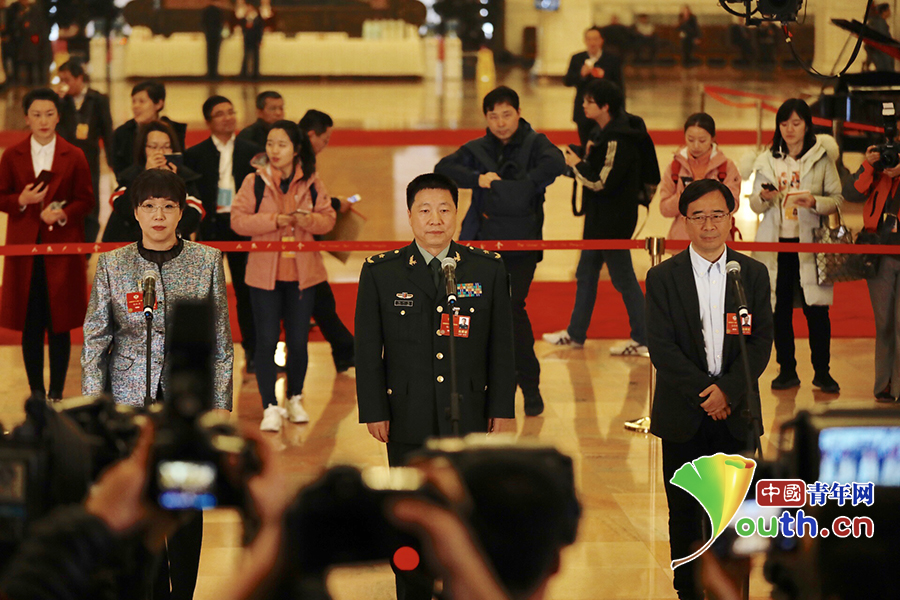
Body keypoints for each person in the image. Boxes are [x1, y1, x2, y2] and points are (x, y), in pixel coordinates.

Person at [355, 172, 516, 600]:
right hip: (407, 416)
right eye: (425, 210)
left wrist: (502, 408)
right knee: (410, 520)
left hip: (469, 414)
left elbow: (502, 346)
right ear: (409, 216)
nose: (435, 219)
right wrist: (374, 409)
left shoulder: (486, 268)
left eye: (445, 209)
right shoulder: (382, 272)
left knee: (466, 518)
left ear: (457, 214)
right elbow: (368, 349)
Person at [81, 168, 232, 600]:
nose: (159, 216)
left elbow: (221, 341)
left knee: (185, 506)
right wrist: (95, 410)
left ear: (182, 212)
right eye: (149, 206)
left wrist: (220, 405)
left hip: (187, 403)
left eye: (168, 206)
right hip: (129, 405)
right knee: (139, 506)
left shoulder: (206, 261)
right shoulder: (114, 264)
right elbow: (95, 342)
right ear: (136, 213)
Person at [646, 179, 773, 600]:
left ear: (730, 219)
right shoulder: (663, 277)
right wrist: (707, 393)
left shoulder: (751, 274)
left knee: (735, 518)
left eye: (717, 215)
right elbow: (662, 348)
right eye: (698, 216)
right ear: (684, 221)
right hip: (683, 416)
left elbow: (760, 344)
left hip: (737, 415)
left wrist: (728, 393)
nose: (708, 225)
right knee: (684, 515)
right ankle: (688, 592)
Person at [435, 86, 566, 416]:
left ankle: (529, 386)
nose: (501, 122)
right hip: (480, 246)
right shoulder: (477, 149)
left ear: (519, 113)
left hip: (522, 246)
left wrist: (521, 185)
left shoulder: (536, 144)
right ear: (486, 118)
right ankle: (481, 390)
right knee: (477, 314)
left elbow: (555, 163)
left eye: (507, 115)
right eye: (493, 116)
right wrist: (478, 179)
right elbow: (444, 168)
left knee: (511, 310)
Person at [231, 120, 336, 432]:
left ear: (296, 149)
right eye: (270, 143)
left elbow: (328, 220)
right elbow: (238, 221)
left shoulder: (312, 181)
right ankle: (269, 405)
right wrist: (274, 220)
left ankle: (294, 398)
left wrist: (308, 220)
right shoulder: (255, 181)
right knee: (265, 341)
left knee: (298, 341)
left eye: (282, 144)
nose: (274, 150)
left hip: (303, 275)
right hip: (264, 275)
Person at [543, 80, 649, 357]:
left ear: (605, 106)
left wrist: (576, 164)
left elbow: (602, 182)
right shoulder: (599, 132)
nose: (583, 105)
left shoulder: (618, 139)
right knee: (586, 273)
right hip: (598, 217)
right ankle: (576, 333)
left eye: (589, 101)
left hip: (613, 220)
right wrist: (581, 159)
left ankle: (644, 337)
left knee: (622, 277)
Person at [0, 88, 93, 402]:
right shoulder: (12, 155)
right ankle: (36, 393)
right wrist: (22, 200)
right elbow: (1, 196)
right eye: (36, 115)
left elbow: (86, 200)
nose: (43, 121)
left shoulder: (74, 154)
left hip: (62, 250)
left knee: (59, 322)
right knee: (30, 323)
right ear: (26, 118)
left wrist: (62, 214)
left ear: (58, 117)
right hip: (24, 251)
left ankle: (56, 392)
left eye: (49, 114)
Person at [749, 98, 843, 394]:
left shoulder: (821, 158)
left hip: (811, 244)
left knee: (817, 310)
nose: (789, 129)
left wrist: (814, 201)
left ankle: (823, 372)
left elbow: (837, 199)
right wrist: (764, 197)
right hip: (776, 246)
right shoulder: (768, 159)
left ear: (807, 125)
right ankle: (786, 370)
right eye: (784, 123)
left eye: (796, 123)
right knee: (779, 310)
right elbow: (753, 205)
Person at [184, 95, 260, 374]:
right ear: (208, 121)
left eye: (231, 112)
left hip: (242, 226)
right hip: (210, 226)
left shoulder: (252, 151)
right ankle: (203, 354)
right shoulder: (195, 153)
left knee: (246, 291)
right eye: (220, 113)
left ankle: (253, 352)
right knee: (205, 293)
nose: (228, 118)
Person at [843, 142, 900, 402]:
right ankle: (884, 384)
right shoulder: (878, 169)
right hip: (879, 253)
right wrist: (869, 164)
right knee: (884, 322)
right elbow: (852, 193)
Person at [299, 108, 355, 372]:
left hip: (304, 242)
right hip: (293, 243)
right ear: (311, 135)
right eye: (325, 139)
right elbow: (306, 200)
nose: (326, 145)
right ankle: (345, 350)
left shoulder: (305, 158)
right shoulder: (298, 161)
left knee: (320, 297)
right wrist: (333, 205)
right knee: (319, 298)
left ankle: (345, 350)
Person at [102, 120, 203, 243]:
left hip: (173, 244)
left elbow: (194, 217)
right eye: (153, 147)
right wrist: (145, 175)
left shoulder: (185, 177)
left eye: (166, 147)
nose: (160, 153)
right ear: (143, 149)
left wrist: (173, 181)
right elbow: (123, 208)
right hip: (132, 243)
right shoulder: (130, 175)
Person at [57, 58, 115, 245]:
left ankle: (88, 246)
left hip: (89, 159)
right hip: (65, 161)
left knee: (91, 202)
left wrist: (112, 161)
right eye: (61, 80)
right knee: (66, 201)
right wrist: (57, 102)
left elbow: (107, 132)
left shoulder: (98, 99)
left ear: (79, 78)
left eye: (67, 80)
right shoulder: (61, 102)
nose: (64, 84)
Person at [658, 113, 742, 241]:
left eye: (702, 140)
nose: (696, 146)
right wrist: (682, 196)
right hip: (682, 241)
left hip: (717, 239)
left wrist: (709, 196)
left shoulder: (725, 167)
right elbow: (665, 209)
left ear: (712, 138)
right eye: (690, 140)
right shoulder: (675, 167)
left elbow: (733, 205)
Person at [112, 81, 187, 179]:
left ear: (159, 104)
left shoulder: (174, 130)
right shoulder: (122, 133)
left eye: (142, 101)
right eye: (133, 101)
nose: (135, 106)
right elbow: (120, 175)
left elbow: (182, 167)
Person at [564, 26, 624, 145]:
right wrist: (581, 74)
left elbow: (619, 86)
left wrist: (620, 111)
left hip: (605, 111)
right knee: (585, 144)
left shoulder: (612, 59)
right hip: (584, 110)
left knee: (605, 144)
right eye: (589, 39)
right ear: (585, 41)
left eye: (595, 39)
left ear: (602, 40)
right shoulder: (577, 58)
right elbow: (567, 81)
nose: (592, 43)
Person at [239, 1, 264, 79]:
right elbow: (242, 27)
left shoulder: (257, 17)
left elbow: (260, 30)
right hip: (247, 38)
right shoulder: (246, 17)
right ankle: (244, 72)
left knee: (255, 56)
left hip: (255, 39)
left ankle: (255, 73)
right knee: (246, 55)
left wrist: (259, 39)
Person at [867, 4, 895, 72]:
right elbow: (883, 37)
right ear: (884, 12)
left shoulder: (876, 22)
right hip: (882, 51)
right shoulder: (880, 23)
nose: (890, 12)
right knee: (886, 70)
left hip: (880, 50)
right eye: (888, 10)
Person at [202, 1, 224, 79]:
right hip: (217, 35)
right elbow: (221, 23)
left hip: (209, 34)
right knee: (215, 54)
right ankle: (214, 72)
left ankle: (210, 72)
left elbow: (203, 23)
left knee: (209, 53)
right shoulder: (218, 11)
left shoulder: (206, 11)